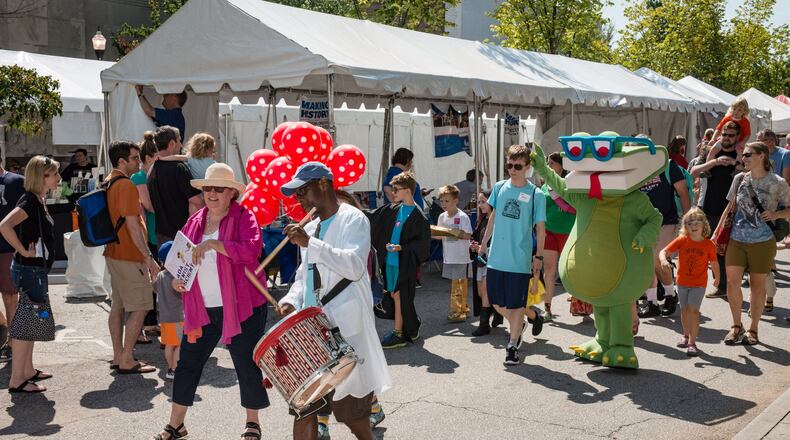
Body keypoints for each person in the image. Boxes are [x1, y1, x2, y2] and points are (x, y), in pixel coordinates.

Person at [152, 163, 269, 440]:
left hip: (243, 306)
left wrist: (216, 245)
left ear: (231, 193)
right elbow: (180, 261)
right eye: (207, 189)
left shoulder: (243, 217)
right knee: (187, 364)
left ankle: (252, 423)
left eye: (219, 189)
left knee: (245, 362)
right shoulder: (194, 221)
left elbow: (251, 251)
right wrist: (177, 280)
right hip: (202, 308)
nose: (212, 193)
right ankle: (176, 425)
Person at [278, 162, 392, 440]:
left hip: (344, 328)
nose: (299, 200)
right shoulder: (312, 227)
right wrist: (291, 300)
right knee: (303, 407)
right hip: (311, 331)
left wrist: (310, 244)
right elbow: (304, 278)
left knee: (353, 414)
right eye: (296, 195)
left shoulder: (354, 219)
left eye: (303, 191)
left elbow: (354, 266)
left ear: (323, 185)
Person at [716, 142, 790, 346]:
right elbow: (730, 207)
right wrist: (716, 234)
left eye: (748, 154)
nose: (744, 158)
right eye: (744, 155)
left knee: (757, 286)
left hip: (763, 241)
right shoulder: (740, 178)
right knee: (732, 282)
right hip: (736, 240)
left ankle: (753, 329)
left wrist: (776, 214)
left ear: (762, 156)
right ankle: (736, 326)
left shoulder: (778, 182)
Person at [479, 145, 546, 366]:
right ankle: (529, 318)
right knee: (497, 303)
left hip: (519, 258)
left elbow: (540, 229)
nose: (513, 169)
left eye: (518, 166)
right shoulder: (499, 187)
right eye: (509, 165)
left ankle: (512, 344)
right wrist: (484, 243)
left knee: (516, 305)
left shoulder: (536, 194)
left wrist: (539, 256)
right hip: (496, 256)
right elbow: (493, 218)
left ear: (528, 167)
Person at [0, 155, 59, 393]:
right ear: (42, 177)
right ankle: (17, 379)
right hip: (29, 270)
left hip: (34, 270)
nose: (58, 178)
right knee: (26, 324)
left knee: (31, 321)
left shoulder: (37, 199)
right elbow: (4, 225)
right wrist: (23, 249)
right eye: (55, 174)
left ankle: (27, 370)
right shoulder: (30, 201)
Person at [104, 141, 161, 375]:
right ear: (121, 161)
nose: (139, 161)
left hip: (114, 252)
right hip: (129, 255)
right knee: (140, 307)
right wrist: (148, 258)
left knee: (117, 306)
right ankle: (127, 358)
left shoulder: (109, 181)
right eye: (135, 158)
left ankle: (119, 355)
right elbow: (132, 226)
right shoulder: (126, 185)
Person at [370, 172, 431, 348]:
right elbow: (374, 217)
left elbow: (422, 245)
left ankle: (399, 333)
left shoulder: (419, 216)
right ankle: (411, 326)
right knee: (395, 296)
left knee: (400, 297)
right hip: (389, 262)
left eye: (396, 190)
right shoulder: (394, 209)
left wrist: (401, 247)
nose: (393, 193)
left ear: (407, 191)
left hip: (404, 264)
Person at [637, 148, 691, 318]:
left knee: (657, 258)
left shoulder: (667, 166)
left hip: (666, 220)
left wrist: (688, 220)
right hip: (642, 223)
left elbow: (682, 192)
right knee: (647, 262)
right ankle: (652, 302)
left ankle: (670, 294)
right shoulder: (634, 168)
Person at [660, 208, 719, 356]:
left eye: (697, 222)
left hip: (699, 283)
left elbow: (715, 263)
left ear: (704, 225)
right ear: (685, 226)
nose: (694, 225)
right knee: (685, 310)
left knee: (693, 310)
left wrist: (717, 278)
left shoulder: (708, 245)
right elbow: (664, 251)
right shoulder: (682, 240)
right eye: (690, 222)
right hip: (682, 282)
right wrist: (663, 260)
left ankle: (693, 342)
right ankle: (685, 336)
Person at [693, 121, 739, 298]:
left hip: (733, 210)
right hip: (710, 207)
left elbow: (752, 170)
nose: (727, 138)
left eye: (731, 135)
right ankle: (721, 286)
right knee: (713, 249)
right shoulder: (712, 151)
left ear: (737, 137)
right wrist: (714, 162)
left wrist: (734, 162)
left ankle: (728, 286)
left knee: (730, 250)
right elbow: (694, 172)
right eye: (724, 134)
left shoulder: (742, 153)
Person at [147, 126, 204, 244]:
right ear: (172, 143)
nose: (181, 145)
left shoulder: (152, 169)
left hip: (161, 235)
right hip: (182, 235)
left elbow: (150, 204)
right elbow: (196, 200)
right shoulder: (179, 168)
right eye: (179, 141)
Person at [541, 152, 579, 322]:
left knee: (572, 271)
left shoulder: (570, 184)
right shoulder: (544, 186)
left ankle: (581, 305)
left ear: (561, 166)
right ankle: (547, 309)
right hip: (549, 232)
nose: (548, 166)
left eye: (551, 164)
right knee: (549, 270)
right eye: (547, 163)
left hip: (569, 232)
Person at [134, 132, 160, 343]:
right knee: (151, 277)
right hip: (149, 230)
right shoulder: (140, 177)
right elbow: (148, 204)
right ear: (150, 156)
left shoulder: (145, 176)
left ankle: (151, 321)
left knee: (154, 277)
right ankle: (149, 322)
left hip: (152, 228)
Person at [436, 185, 473, 322]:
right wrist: (435, 232)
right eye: (442, 201)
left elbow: (468, 235)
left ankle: (458, 312)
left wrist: (451, 232)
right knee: (457, 283)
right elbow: (439, 236)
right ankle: (463, 307)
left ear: (456, 201)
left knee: (458, 283)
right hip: (448, 256)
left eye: (447, 201)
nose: (444, 204)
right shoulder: (441, 217)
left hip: (460, 256)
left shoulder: (462, 217)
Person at [0, 157, 24, 362]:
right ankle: (5, 332)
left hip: (8, 248)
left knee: (10, 296)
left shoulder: (15, 181)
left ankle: (13, 343)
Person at [469, 191, 503, 336]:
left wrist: (483, 249)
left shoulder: (497, 221)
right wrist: (474, 245)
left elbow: (500, 241)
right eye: (479, 202)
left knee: (485, 291)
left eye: (483, 201)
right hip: (481, 261)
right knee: (480, 292)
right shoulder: (482, 220)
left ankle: (484, 325)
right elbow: (477, 237)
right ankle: (497, 313)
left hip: (493, 261)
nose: (480, 205)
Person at [153, 241, 183, 381]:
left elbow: (155, 288)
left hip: (164, 317)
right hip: (177, 317)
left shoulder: (160, 275)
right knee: (180, 345)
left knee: (169, 345)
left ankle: (170, 368)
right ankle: (174, 369)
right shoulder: (176, 277)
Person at [708, 97, 751, 164]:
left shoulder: (745, 122)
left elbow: (747, 134)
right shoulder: (727, 118)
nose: (736, 112)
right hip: (724, 140)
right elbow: (718, 129)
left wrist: (742, 142)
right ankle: (708, 165)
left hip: (738, 142)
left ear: (744, 111)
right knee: (713, 149)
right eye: (734, 109)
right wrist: (713, 139)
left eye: (739, 110)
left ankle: (737, 167)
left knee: (740, 153)